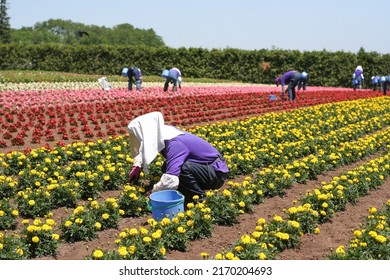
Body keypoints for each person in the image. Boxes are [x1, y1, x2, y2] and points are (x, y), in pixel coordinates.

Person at [127, 111, 229, 205]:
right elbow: (141, 146)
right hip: (206, 168)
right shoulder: (163, 132)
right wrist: (137, 165)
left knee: (181, 169)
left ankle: (199, 199)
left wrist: (153, 193)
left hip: (216, 174)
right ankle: (186, 193)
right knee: (167, 166)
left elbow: (171, 178)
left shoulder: (175, 142)